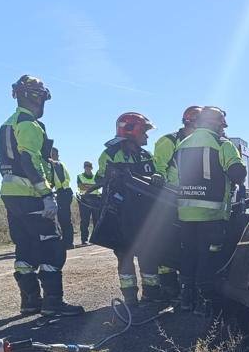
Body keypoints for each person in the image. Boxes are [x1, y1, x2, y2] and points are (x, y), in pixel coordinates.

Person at [0, 75, 84, 317]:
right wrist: (46, 193)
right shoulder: (28, 124)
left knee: (25, 247)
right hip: (30, 193)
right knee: (52, 248)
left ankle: (30, 301)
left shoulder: (9, 123)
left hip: (11, 194)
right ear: (35, 97)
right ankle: (53, 302)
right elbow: (29, 159)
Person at [169, 106, 247, 312]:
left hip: (185, 213)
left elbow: (173, 180)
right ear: (216, 124)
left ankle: (186, 297)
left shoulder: (182, 145)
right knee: (209, 256)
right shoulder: (223, 144)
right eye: (222, 126)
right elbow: (237, 173)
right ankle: (204, 302)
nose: (223, 130)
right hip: (212, 215)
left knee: (189, 254)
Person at [96, 112, 163, 306]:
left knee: (149, 254)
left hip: (144, 213)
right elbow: (103, 178)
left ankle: (151, 293)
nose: (147, 136)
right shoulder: (110, 154)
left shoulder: (146, 155)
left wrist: (158, 177)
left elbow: (156, 172)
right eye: (144, 131)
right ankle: (130, 297)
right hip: (121, 213)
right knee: (124, 256)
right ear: (131, 131)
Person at [152, 105, 202, 300]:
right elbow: (160, 167)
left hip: (192, 198)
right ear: (191, 122)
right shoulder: (169, 141)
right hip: (170, 198)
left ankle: (184, 285)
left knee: (187, 242)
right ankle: (168, 285)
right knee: (169, 241)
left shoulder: (200, 142)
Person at [49, 147, 75, 249]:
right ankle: (66, 240)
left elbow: (60, 178)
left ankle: (68, 242)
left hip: (64, 192)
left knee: (64, 218)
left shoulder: (58, 164)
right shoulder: (58, 164)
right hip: (62, 192)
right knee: (62, 218)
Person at [76, 161, 100, 243]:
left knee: (96, 220)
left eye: (89, 166)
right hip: (85, 199)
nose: (87, 168)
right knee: (85, 220)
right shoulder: (80, 176)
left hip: (96, 199)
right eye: (86, 166)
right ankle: (84, 239)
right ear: (84, 167)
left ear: (91, 168)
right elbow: (81, 186)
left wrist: (87, 186)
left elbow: (98, 186)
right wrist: (93, 187)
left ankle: (96, 238)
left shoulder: (96, 177)